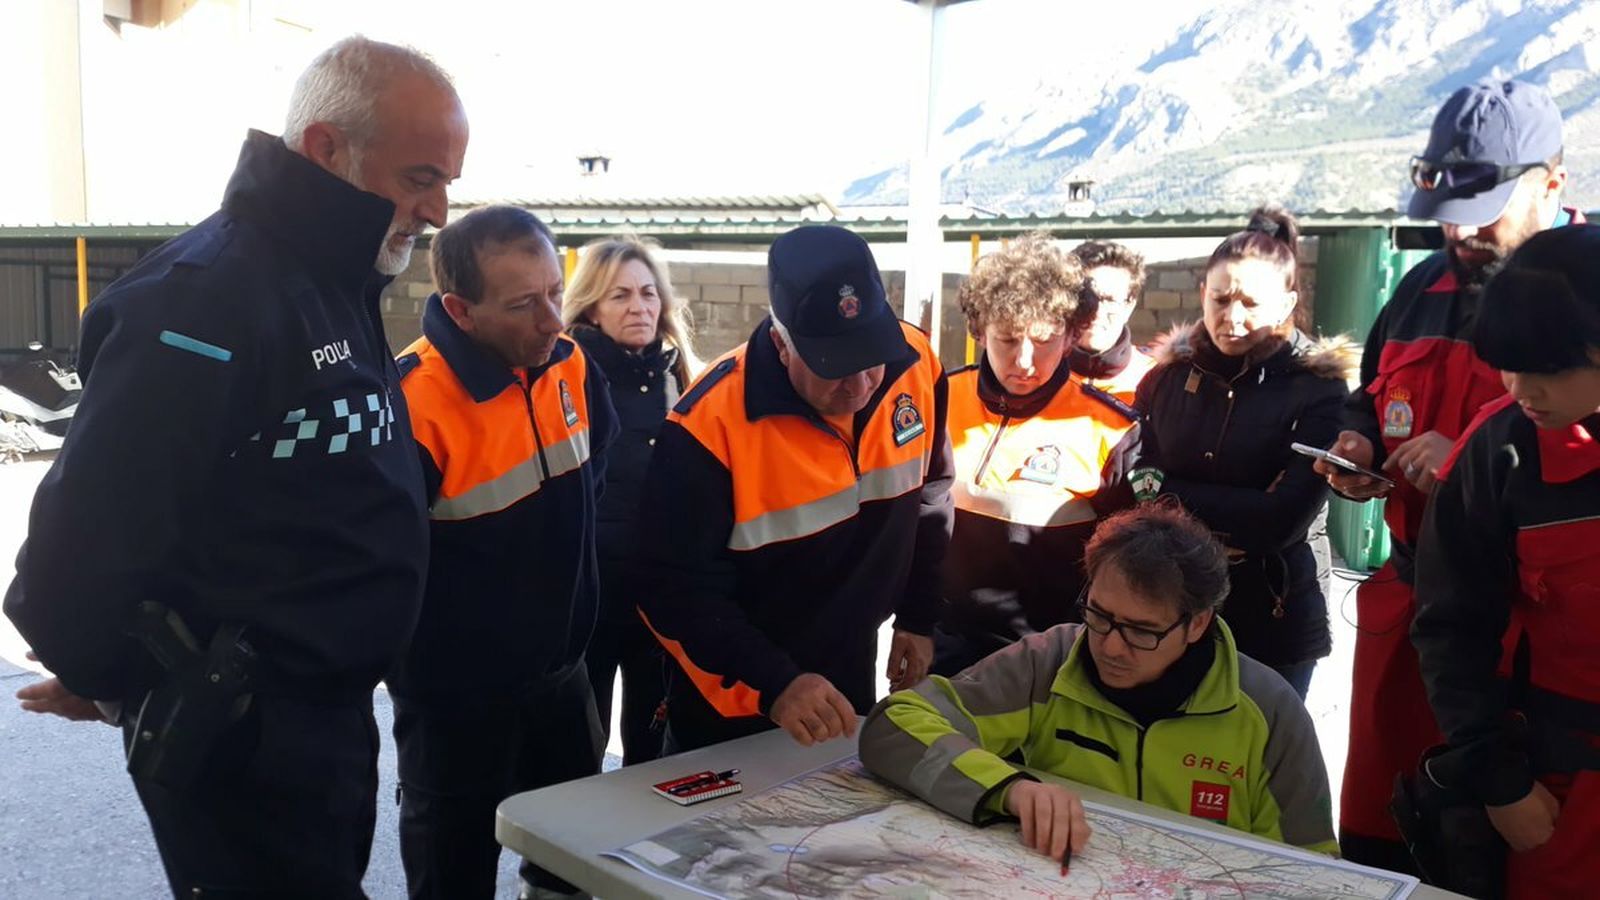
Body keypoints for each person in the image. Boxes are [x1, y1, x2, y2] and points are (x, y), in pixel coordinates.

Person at [4, 36, 466, 898]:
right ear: (328, 150)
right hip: (248, 733)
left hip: (319, 725)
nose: (438, 210)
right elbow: (72, 563)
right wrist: (117, 682)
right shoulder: (205, 299)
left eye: (445, 183)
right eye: (419, 178)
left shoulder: (331, 279)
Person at [1318, 79, 1582, 870]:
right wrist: (1357, 449)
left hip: (1533, 638)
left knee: (1513, 852)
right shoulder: (1418, 288)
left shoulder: (1586, 296)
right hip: (1407, 610)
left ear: (1554, 183)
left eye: (1488, 207)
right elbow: (1371, 397)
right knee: (1384, 839)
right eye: (1450, 212)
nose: (1462, 234)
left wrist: (1464, 453)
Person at [633, 224, 954, 753]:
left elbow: (932, 497)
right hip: (734, 703)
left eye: (870, 356)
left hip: (847, 679)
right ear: (781, 344)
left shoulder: (916, 365)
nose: (859, 385)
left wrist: (920, 616)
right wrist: (775, 683)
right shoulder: (708, 425)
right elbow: (670, 589)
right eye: (833, 368)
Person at [861, 503, 1337, 858]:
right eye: (1100, 616)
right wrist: (1010, 788)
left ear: (1198, 624)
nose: (1109, 646)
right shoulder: (1048, 663)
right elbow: (893, 725)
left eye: (1141, 631)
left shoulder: (1268, 709)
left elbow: (1317, 867)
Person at [388, 206, 617, 899]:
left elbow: (594, 478)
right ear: (461, 310)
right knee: (451, 880)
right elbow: (384, 574)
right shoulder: (411, 404)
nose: (554, 318)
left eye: (556, 290)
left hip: (563, 682)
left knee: (572, 876)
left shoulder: (572, 367)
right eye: (524, 304)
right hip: (454, 709)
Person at [1412, 224, 1600, 898]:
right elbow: (1451, 631)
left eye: (1546, 369)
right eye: (1508, 366)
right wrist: (1499, 780)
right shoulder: (1498, 455)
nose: (1521, 389)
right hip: (1560, 790)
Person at [1132, 207, 1353, 701]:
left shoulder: (1318, 390)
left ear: (1286, 303)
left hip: (1272, 616)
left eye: (1251, 303)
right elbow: (1132, 482)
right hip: (1171, 608)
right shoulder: (1166, 378)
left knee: (1262, 769)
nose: (1232, 318)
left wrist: (1170, 495)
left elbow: (1282, 521)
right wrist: (1238, 505)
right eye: (1220, 299)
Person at [933, 234, 1140, 676]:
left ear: (1070, 337)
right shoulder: (939, 401)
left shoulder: (1111, 428)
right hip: (938, 647)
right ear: (979, 330)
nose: (1024, 360)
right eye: (1007, 339)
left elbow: (1126, 566)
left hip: (1047, 662)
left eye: (1044, 340)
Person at [563, 235, 699, 766]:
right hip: (589, 596)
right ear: (592, 307)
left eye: (647, 293)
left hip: (657, 597)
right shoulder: (567, 373)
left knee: (651, 747)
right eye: (619, 295)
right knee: (577, 751)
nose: (638, 307)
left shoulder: (680, 375)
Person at [1069, 239, 1156, 402]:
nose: (1096, 311)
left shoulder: (1157, 379)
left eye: (1109, 300)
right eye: (1086, 298)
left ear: (1128, 306)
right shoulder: (1033, 376)